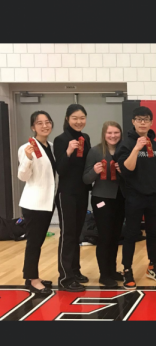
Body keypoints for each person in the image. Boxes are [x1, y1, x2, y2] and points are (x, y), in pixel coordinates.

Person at [116, 106, 156, 290]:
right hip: (134, 197)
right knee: (131, 234)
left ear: (151, 122)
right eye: (139, 119)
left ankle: (153, 266)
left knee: (153, 234)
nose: (143, 122)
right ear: (133, 122)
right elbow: (126, 168)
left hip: (155, 197)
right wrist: (137, 149)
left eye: (146, 119)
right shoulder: (126, 144)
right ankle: (127, 269)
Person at [17, 111, 58, 296]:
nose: (44, 126)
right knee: (34, 242)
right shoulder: (27, 147)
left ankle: (32, 275)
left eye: (47, 122)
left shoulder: (50, 146)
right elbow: (23, 176)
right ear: (33, 127)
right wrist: (28, 158)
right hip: (34, 203)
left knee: (39, 241)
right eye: (39, 123)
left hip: (47, 203)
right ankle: (32, 280)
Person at [54, 104, 91, 292]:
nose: (79, 121)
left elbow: (87, 166)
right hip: (66, 193)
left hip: (82, 192)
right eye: (75, 118)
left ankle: (75, 271)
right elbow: (60, 169)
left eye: (82, 118)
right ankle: (65, 278)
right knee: (68, 234)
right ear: (68, 118)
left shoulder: (86, 138)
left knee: (77, 233)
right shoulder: (61, 140)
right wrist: (68, 151)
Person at [83, 121, 125, 289]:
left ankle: (112, 270)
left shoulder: (124, 151)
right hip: (102, 198)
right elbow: (85, 179)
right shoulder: (95, 151)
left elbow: (133, 175)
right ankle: (104, 275)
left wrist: (125, 171)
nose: (113, 136)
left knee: (115, 236)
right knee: (105, 236)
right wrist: (95, 171)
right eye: (110, 133)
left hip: (120, 198)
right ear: (104, 134)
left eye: (116, 133)